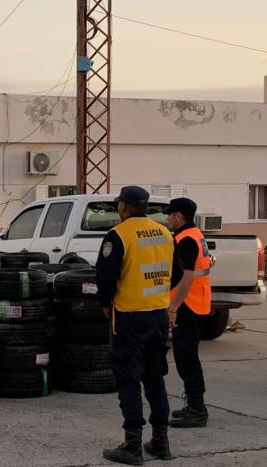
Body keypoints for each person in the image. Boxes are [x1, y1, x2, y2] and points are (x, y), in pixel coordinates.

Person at [96, 186, 174, 465]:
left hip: (128, 316)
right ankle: (161, 441)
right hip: (158, 316)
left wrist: (105, 302)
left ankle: (132, 445)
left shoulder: (119, 235)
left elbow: (105, 277)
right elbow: (174, 274)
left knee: (128, 378)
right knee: (154, 377)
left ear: (125, 206)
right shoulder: (165, 233)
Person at [163, 197, 212, 428]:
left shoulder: (185, 240)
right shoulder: (195, 234)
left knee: (186, 358)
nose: (167, 219)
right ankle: (193, 405)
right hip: (197, 303)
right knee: (187, 356)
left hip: (188, 306)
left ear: (178, 216)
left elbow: (187, 276)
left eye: (169, 215)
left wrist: (173, 307)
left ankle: (197, 410)